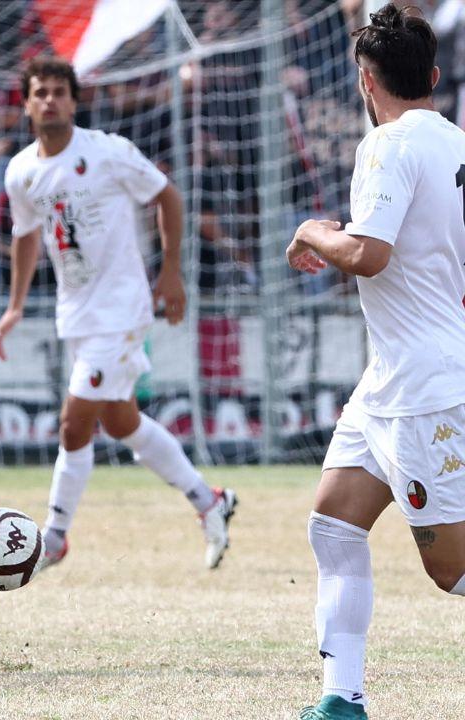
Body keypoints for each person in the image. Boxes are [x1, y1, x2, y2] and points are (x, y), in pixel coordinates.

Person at [0, 57, 237, 572]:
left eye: (60, 91)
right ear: (27, 102)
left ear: (74, 101)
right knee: (121, 420)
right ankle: (208, 500)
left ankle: (54, 538)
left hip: (123, 308)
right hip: (75, 312)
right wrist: (15, 306)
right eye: (41, 92)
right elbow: (25, 236)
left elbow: (167, 197)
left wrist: (171, 274)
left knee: (73, 425)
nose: (50, 99)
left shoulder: (107, 152)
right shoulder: (21, 172)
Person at [287, 7, 465, 719]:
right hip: (392, 379)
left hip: (423, 387)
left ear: (365, 80)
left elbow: (369, 254)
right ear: (434, 74)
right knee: (333, 521)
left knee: (450, 571)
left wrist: (313, 232)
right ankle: (342, 699)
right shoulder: (452, 140)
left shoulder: (387, 146)